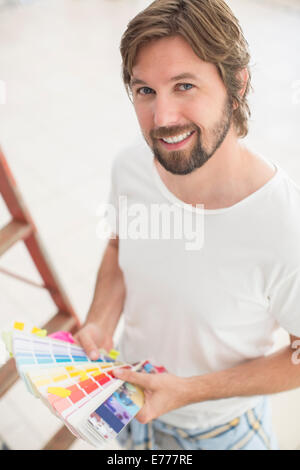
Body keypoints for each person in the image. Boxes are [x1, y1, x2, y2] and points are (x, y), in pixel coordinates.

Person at [75, 0, 300, 450]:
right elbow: (121, 247)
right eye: (145, 91)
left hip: (221, 434)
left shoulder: (284, 226)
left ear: (237, 83)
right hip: (132, 409)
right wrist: (100, 321)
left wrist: (189, 392)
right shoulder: (132, 167)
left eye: (184, 85)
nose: (163, 119)